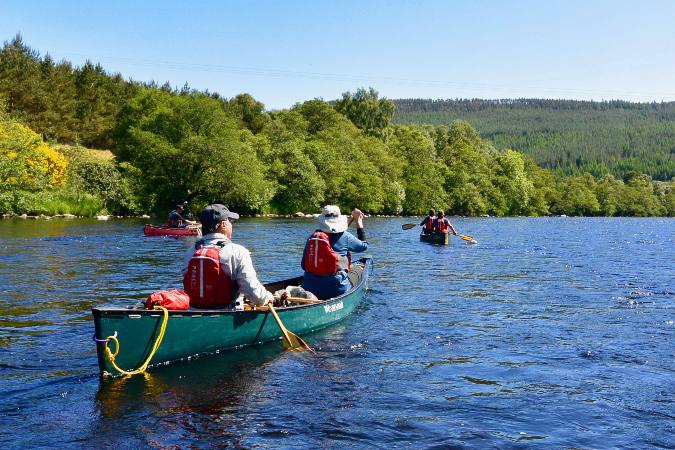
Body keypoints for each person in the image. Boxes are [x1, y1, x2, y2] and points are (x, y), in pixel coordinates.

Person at [182, 204, 273, 308]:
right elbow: (254, 293)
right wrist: (267, 298)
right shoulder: (237, 251)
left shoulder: (190, 251)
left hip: (194, 312)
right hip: (228, 313)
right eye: (231, 221)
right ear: (224, 225)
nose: (232, 225)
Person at [300, 205, 368, 300]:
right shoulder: (345, 236)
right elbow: (364, 246)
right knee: (358, 269)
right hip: (336, 289)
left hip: (309, 286)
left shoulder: (313, 237)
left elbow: (303, 265)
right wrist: (358, 221)